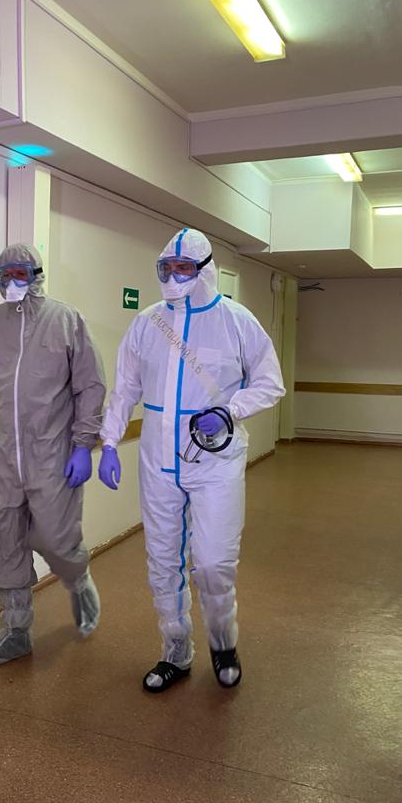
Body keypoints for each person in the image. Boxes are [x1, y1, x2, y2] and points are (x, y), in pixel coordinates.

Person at [98, 228, 285, 692]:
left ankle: (223, 643)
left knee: (213, 562)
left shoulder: (236, 320)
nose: (173, 277)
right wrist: (109, 442)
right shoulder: (148, 322)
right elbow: (125, 387)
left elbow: (270, 382)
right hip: (158, 458)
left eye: (183, 269)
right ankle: (176, 651)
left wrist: (230, 410)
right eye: (166, 268)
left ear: (205, 271)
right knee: (162, 561)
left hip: (215, 461)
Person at [0, 243, 106, 667]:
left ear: (37, 275)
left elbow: (90, 385)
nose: (11, 282)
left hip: (52, 453)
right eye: (4, 275)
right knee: (2, 538)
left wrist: (83, 445)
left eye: (20, 274)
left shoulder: (66, 321)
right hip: (0, 455)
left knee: (58, 538)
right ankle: (16, 628)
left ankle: (77, 580)